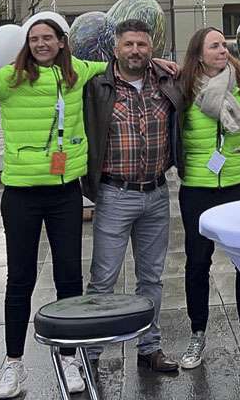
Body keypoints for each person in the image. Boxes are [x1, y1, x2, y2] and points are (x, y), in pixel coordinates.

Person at [0, 3, 107, 398]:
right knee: (20, 279)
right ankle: (13, 363)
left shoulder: (77, 75)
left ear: (61, 43)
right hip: (21, 195)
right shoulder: (11, 80)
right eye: (34, 39)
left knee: (69, 277)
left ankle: (70, 356)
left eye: (48, 38)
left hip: (64, 195)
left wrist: (167, 65)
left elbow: (120, 67)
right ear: (27, 45)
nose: (41, 44)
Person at [81, 19, 184, 373]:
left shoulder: (166, 83)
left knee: (151, 278)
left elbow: (208, 68)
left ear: (151, 49)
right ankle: (92, 355)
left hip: (156, 193)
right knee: (103, 279)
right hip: (114, 194)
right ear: (116, 49)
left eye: (142, 45)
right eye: (129, 45)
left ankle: (149, 347)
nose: (136, 51)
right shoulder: (98, 86)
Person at [176, 27, 240, 370]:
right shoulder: (183, 87)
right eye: (214, 46)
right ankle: (198, 333)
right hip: (197, 185)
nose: (222, 50)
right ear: (198, 53)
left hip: (237, 182)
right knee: (198, 262)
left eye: (224, 45)